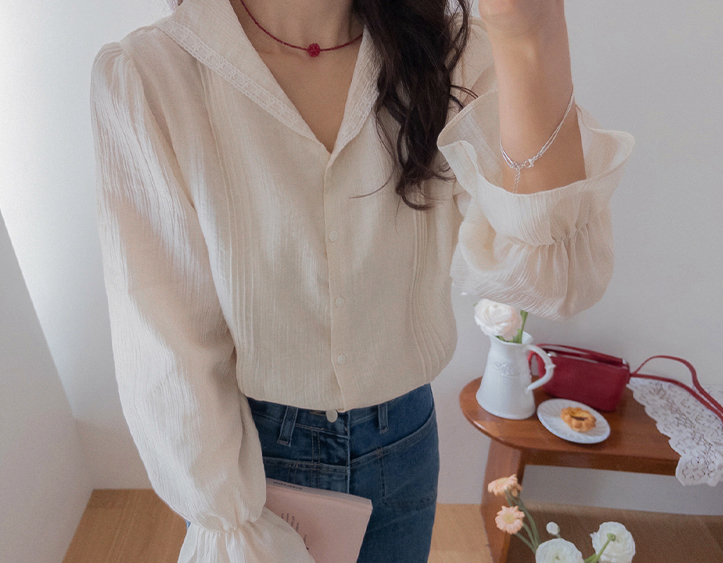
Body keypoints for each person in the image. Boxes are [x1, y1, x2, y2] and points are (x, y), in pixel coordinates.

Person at [90, 0, 634, 561]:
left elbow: (552, 280)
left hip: (405, 436)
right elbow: (166, 338)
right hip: (249, 453)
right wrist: (224, 511)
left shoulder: (449, 51)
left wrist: (529, 29)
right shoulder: (154, 74)